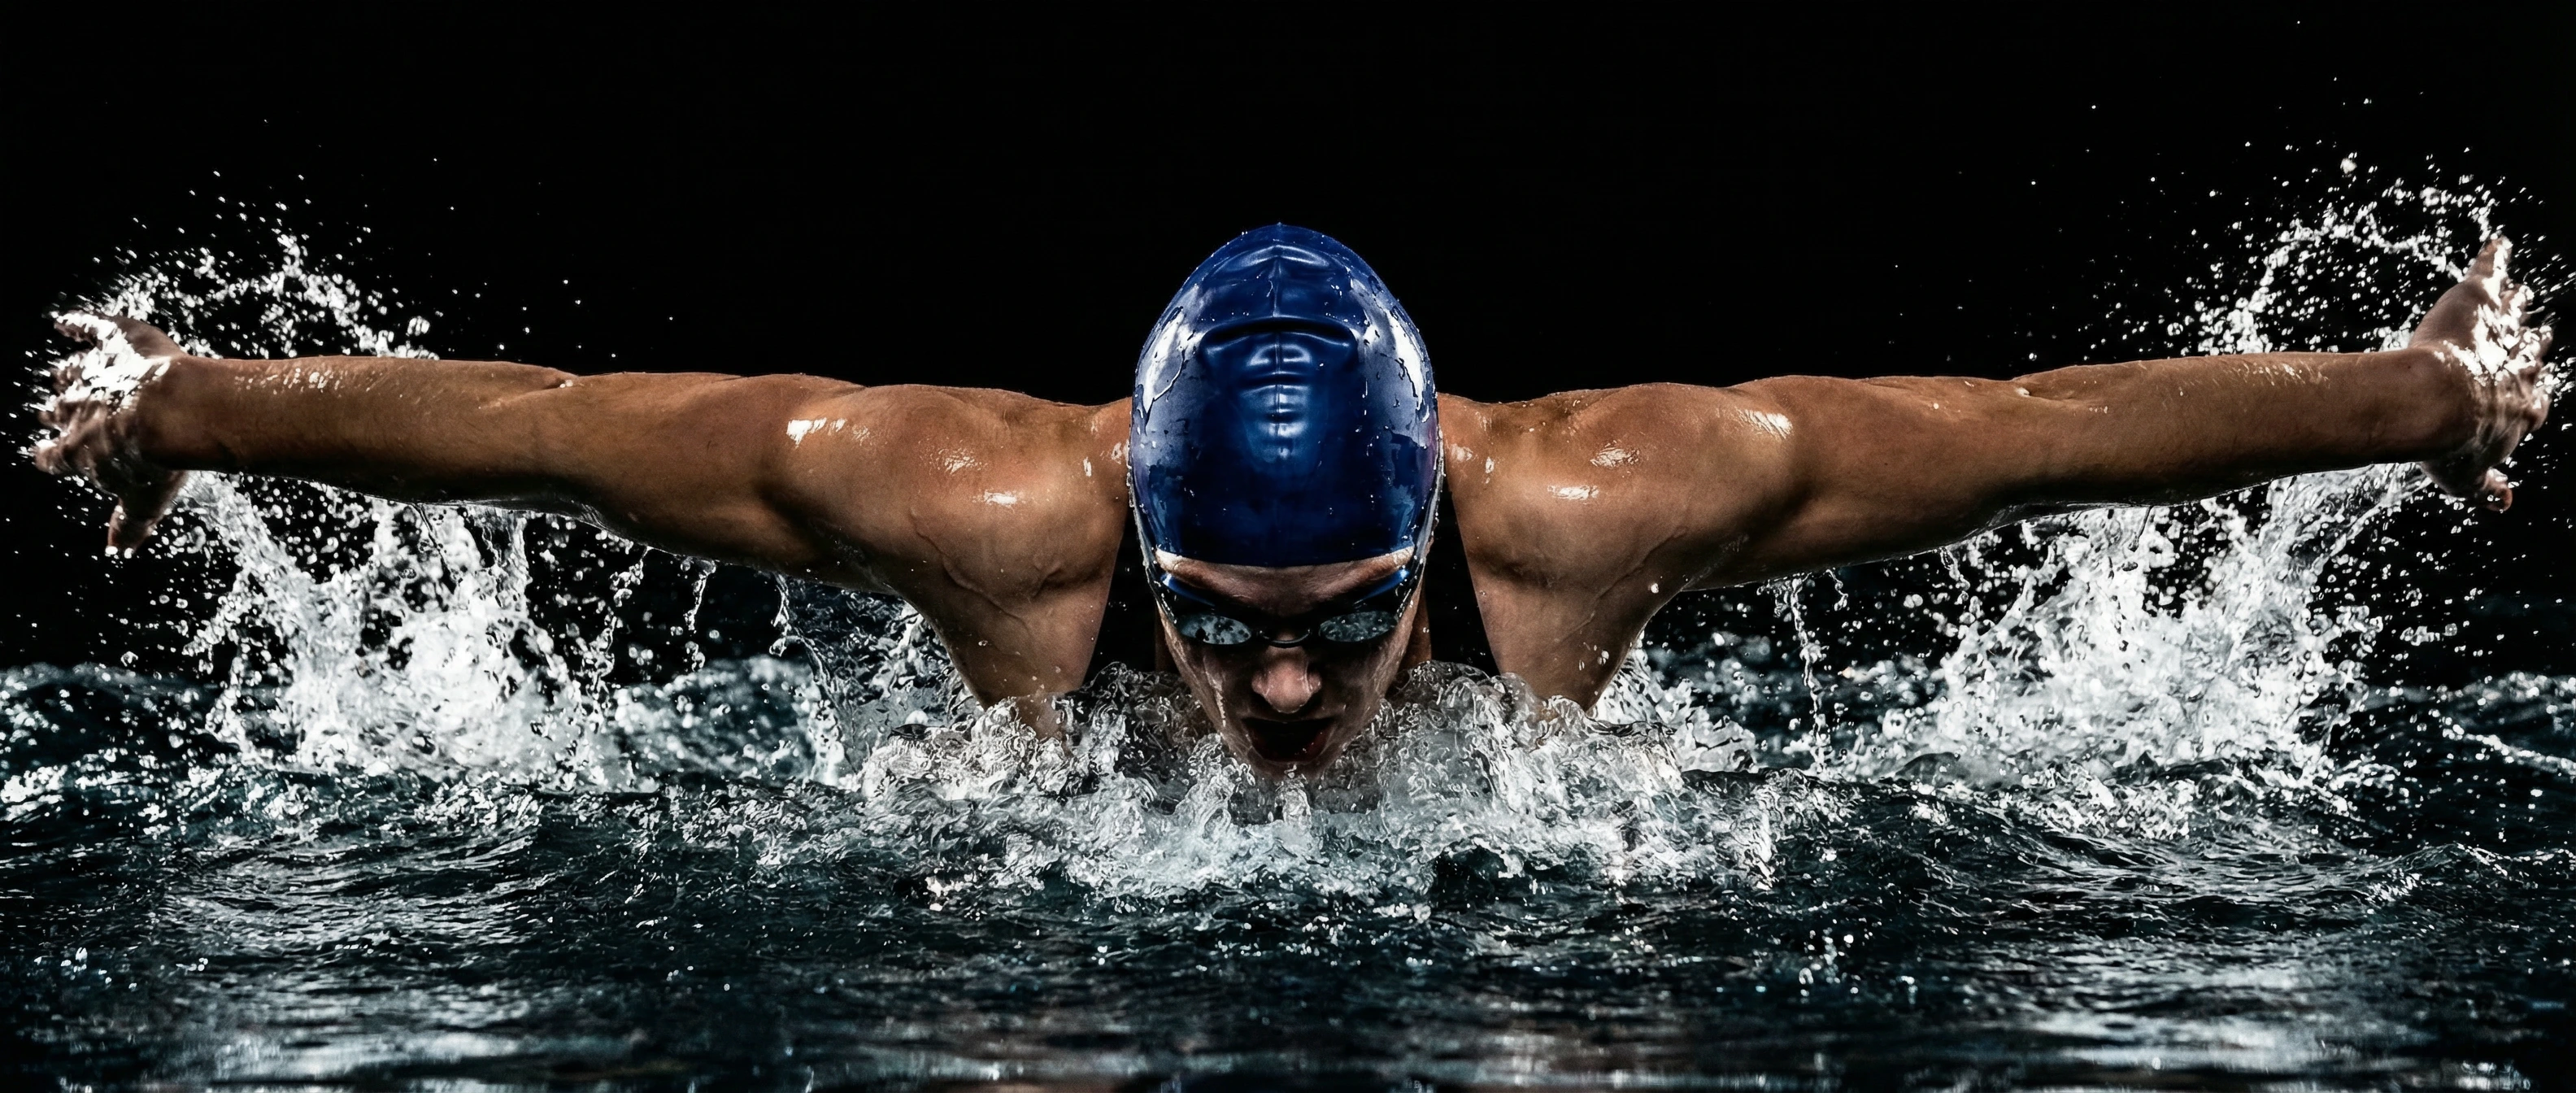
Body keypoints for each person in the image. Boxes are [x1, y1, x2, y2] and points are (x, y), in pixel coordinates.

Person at [36, 227, 2553, 775]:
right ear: (1129, 512)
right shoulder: (979, 507)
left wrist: (2413, 401)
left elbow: (2021, 431)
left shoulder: (1601, 504)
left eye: (1342, 625)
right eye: (1217, 612)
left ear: (1436, 534)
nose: (1263, 683)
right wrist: (185, 408)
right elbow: (564, 420)